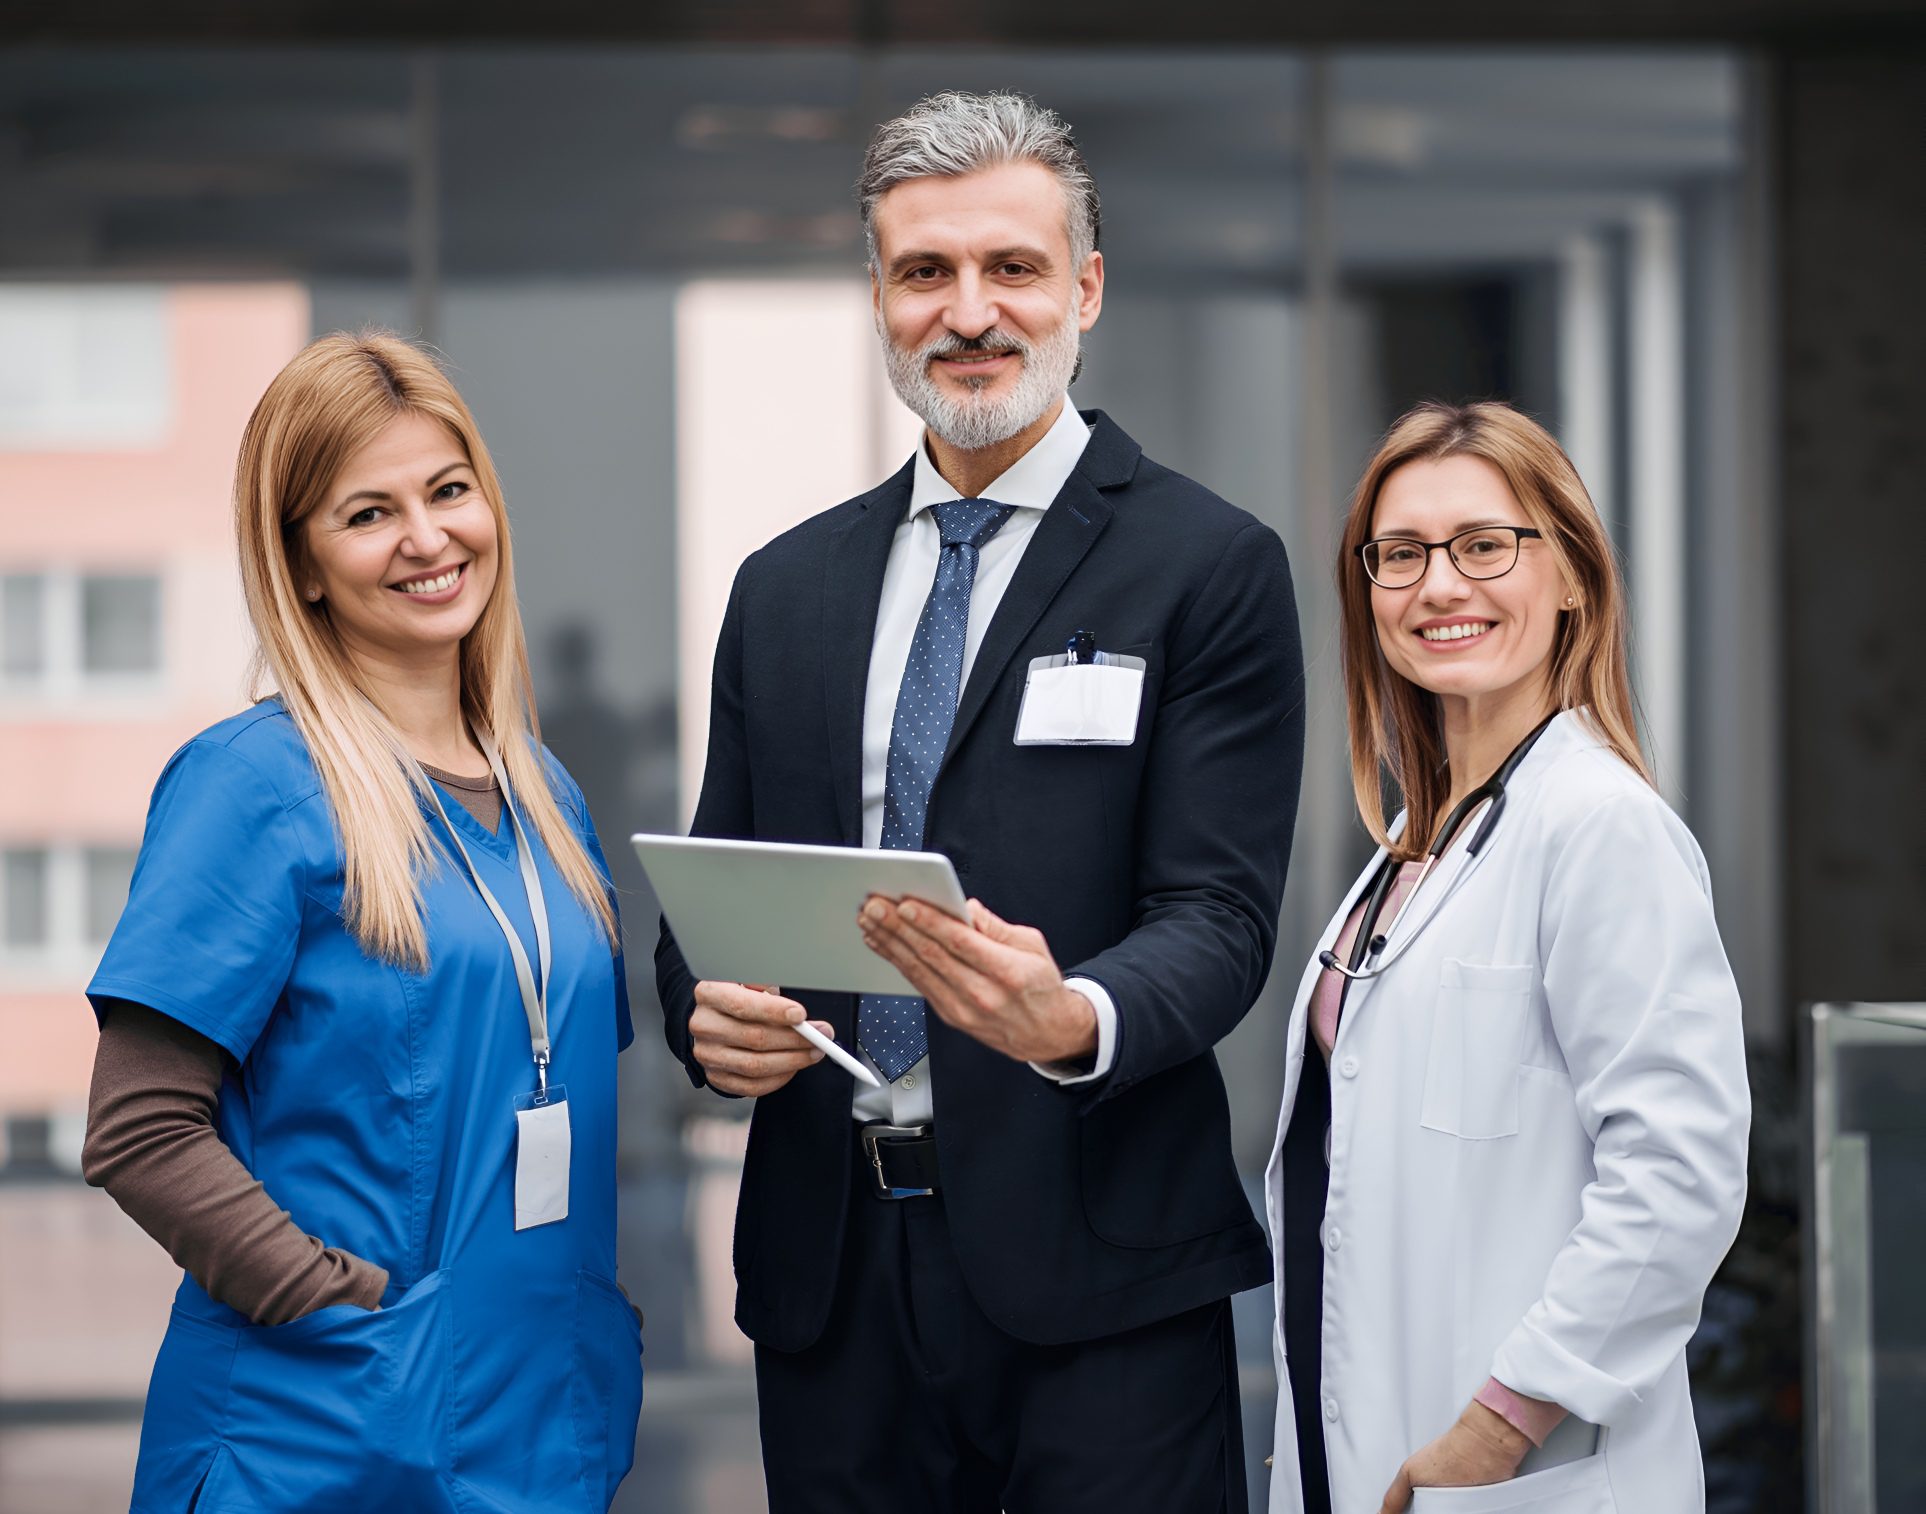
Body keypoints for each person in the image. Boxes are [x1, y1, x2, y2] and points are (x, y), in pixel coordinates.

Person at [655, 91, 1303, 1513]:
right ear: (879, 299)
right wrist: (711, 1017)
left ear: (1082, 288)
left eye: (1010, 268)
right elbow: (712, 901)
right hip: (832, 1271)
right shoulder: (786, 589)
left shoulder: (1209, 567)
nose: (969, 312)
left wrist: (1076, 1014)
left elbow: (1218, 912)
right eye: (923, 272)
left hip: (1101, 1266)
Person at [81, 332, 642, 1512]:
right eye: (369, 512)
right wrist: (340, 1302)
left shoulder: (547, 793)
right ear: (306, 567)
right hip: (322, 1435)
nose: (430, 539)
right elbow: (139, 1127)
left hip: (537, 1423)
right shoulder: (254, 783)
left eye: (449, 490)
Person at [1263, 400, 1750, 1514]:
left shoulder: (1599, 825)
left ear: (1572, 573)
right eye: (1402, 553)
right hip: (1371, 1447)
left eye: (1485, 544)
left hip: (1518, 1464)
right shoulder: (1409, 852)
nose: (1441, 585)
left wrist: (1505, 1418)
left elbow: (1679, 1171)